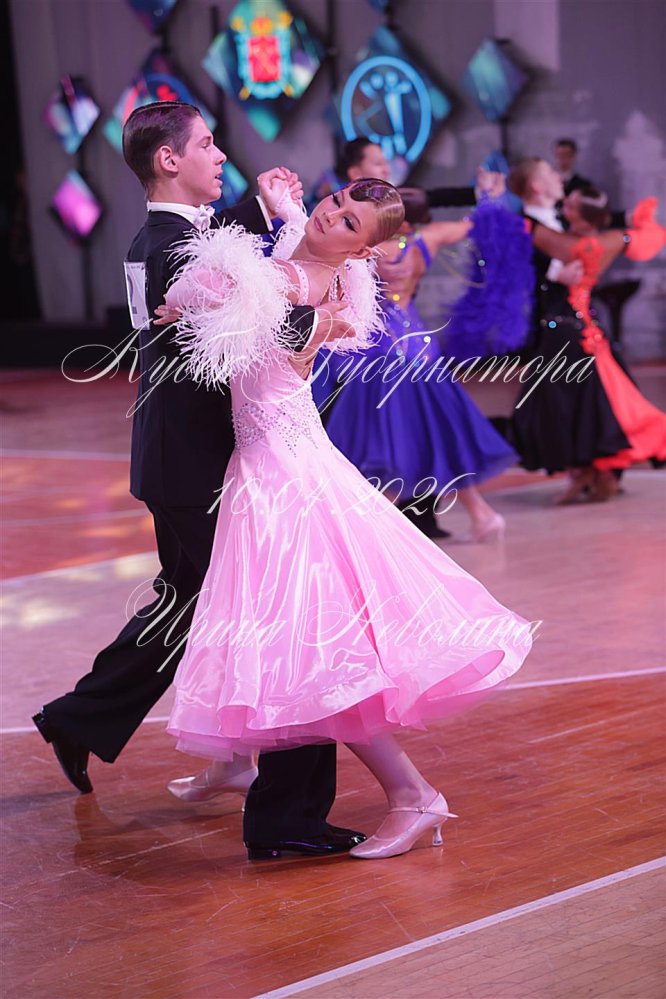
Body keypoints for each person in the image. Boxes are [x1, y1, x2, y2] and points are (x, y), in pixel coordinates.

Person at [160, 178, 532, 860]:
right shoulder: (325, 272)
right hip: (284, 459)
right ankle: (379, 790)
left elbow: (189, 292)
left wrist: (248, 242)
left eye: (349, 221)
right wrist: (290, 211)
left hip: (282, 473)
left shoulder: (293, 278)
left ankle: (411, 794)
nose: (331, 216)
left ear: (365, 250)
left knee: (313, 646)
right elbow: (286, 254)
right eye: (334, 203)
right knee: (306, 645)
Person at [32, 101, 366, 860]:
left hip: (180, 461)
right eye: (208, 144)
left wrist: (270, 217)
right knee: (286, 618)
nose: (221, 155)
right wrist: (327, 314)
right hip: (201, 465)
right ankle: (285, 819)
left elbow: (222, 270)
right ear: (169, 160)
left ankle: (79, 718)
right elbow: (248, 321)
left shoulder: (165, 238)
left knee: (186, 604)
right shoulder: (171, 248)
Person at [320, 190, 517, 542]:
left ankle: (372, 534)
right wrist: (489, 197)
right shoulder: (427, 240)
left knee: (390, 446)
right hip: (422, 350)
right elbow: (473, 224)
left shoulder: (367, 247)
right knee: (435, 434)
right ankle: (481, 513)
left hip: (381, 354)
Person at [508, 161, 666, 500]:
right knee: (571, 400)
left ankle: (594, 471)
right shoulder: (527, 226)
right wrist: (552, 273)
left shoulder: (559, 229)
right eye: (550, 174)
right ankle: (589, 472)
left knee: (584, 398)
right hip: (558, 325)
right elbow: (513, 263)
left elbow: (570, 242)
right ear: (536, 186)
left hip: (574, 325)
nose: (558, 178)